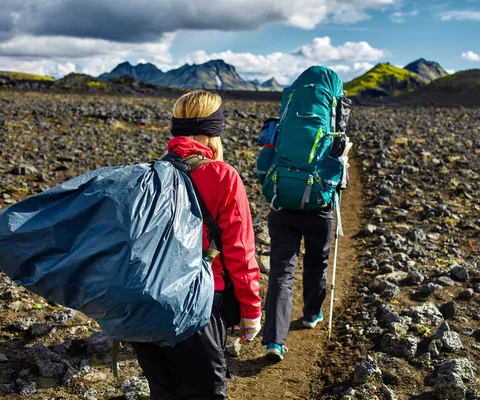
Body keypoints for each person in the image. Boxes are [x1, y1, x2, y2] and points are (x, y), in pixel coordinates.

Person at [131, 90, 261, 399]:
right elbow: (239, 252)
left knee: (163, 392)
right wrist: (251, 312)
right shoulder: (222, 176)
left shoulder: (149, 174)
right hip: (199, 305)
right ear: (214, 131)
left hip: (148, 304)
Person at [262, 204, 334, 361]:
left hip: (282, 209)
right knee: (317, 263)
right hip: (319, 212)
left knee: (281, 273)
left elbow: (263, 178)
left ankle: (274, 342)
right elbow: (343, 182)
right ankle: (311, 314)